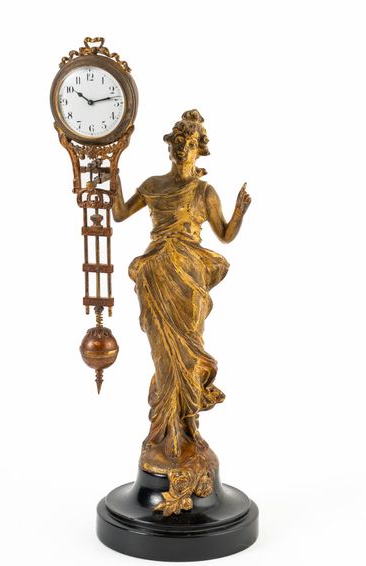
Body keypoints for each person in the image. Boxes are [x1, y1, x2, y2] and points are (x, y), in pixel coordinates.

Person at [113, 109, 252, 514]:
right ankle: (163, 435)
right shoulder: (154, 186)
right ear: (170, 148)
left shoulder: (205, 192)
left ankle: (187, 431)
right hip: (157, 272)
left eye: (188, 145)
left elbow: (224, 235)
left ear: (198, 150)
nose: (181, 150)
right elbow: (119, 213)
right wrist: (113, 171)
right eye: (176, 144)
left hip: (189, 275)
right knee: (163, 354)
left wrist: (240, 211)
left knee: (188, 353)